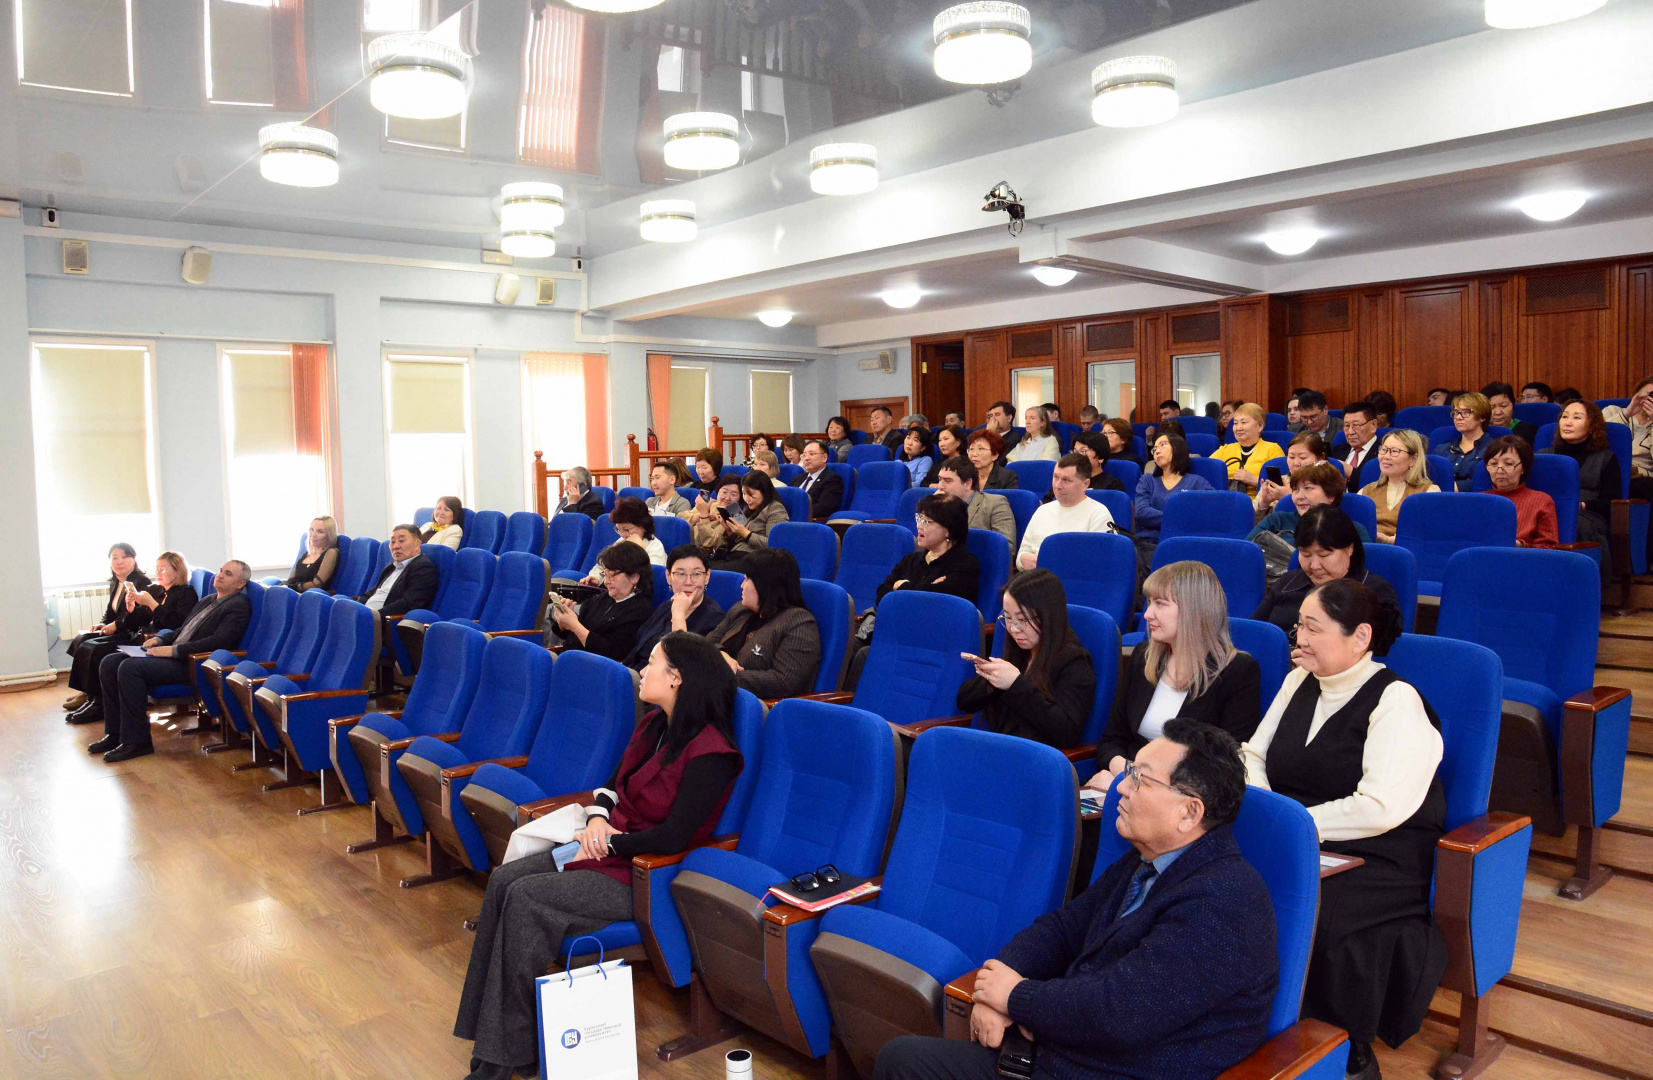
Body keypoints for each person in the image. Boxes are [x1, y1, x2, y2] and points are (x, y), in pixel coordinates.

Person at [877, 721, 1278, 1080]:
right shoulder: (1148, 860)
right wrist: (1001, 979)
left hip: (1111, 1066)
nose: (1122, 787)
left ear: (1189, 812)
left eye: (1140, 779)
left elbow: (1121, 1012)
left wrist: (1015, 999)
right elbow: (1062, 928)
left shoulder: (1225, 901)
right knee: (903, 1058)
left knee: (904, 1063)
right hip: (1067, 1050)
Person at [455, 631, 743, 1080]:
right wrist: (596, 819)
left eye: (652, 662)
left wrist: (609, 841)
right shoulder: (654, 725)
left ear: (677, 678)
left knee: (527, 900)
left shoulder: (713, 753)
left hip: (646, 875)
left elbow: (675, 837)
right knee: (503, 880)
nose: (642, 670)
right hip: (604, 849)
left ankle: (499, 1062)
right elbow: (611, 785)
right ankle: (497, 1042)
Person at [1241, 579, 1447, 1080]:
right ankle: (1244, 1020)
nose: (1299, 639)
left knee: (1326, 913)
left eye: (1313, 628)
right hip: (1299, 833)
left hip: (1380, 850)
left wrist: (1291, 825)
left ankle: (1343, 1048)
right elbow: (1252, 755)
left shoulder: (1396, 700)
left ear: (1360, 637)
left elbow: (1380, 806)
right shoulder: (1299, 680)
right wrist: (1272, 814)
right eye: (1299, 626)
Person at [1086, 561, 1261, 785]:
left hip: (1182, 795)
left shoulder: (1238, 671)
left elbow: (1222, 768)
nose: (1147, 614)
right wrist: (1124, 771)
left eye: (1160, 603)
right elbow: (1112, 739)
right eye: (1149, 602)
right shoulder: (1144, 658)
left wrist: (1132, 779)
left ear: (1194, 611)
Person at [90, 560, 254, 762]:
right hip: (176, 655)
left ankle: (137, 742)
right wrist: (160, 639)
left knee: (129, 668)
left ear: (240, 584)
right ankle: (115, 734)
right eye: (221, 571)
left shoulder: (238, 605)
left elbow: (219, 642)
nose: (220, 575)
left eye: (228, 574)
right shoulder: (208, 600)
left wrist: (174, 650)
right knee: (109, 662)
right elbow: (182, 629)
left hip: (192, 664)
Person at [956, 569, 1094, 747]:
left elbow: (1066, 732)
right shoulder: (1018, 652)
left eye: (1022, 620)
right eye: (1007, 618)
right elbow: (964, 702)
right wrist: (991, 680)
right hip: (999, 748)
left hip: (1033, 757)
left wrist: (1015, 684)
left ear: (1048, 617)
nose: (1014, 629)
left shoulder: (1074, 662)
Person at [67, 551, 195, 727]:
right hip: (140, 638)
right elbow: (136, 622)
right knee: (91, 647)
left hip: (157, 643)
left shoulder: (186, 593)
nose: (158, 573)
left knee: (99, 651)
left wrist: (151, 604)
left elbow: (176, 624)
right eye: (157, 569)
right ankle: (93, 699)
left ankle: (99, 704)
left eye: (163, 569)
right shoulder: (157, 590)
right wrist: (131, 608)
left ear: (177, 570)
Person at [1251, 506, 1403, 645]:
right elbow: (1254, 632)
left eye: (1323, 555)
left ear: (1349, 549)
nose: (1314, 565)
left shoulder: (1376, 593)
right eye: (1306, 554)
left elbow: (1381, 649)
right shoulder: (1287, 583)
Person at [706, 548, 821, 698]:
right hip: (717, 694)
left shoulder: (799, 624)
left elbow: (784, 682)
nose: (742, 585)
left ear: (764, 585)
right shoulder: (740, 609)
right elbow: (706, 643)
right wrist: (721, 655)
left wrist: (724, 674)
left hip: (754, 704)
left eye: (746, 579)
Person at [62, 543, 154, 714]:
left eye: (124, 557)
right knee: (82, 639)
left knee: (92, 647)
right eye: (115, 558)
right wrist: (104, 623)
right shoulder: (116, 582)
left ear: (134, 560)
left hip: (130, 632)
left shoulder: (141, 583)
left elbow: (140, 616)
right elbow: (110, 611)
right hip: (118, 628)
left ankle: (96, 698)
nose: (119, 562)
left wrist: (116, 625)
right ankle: (87, 691)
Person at [623, 546, 727, 670]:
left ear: (707, 577)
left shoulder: (714, 619)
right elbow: (637, 648)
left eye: (696, 574)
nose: (688, 582)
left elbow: (683, 664)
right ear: (668, 577)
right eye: (681, 574)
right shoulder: (666, 606)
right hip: (635, 672)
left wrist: (679, 615)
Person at [871, 494, 980, 609]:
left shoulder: (965, 564)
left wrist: (900, 586)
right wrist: (928, 588)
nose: (919, 526)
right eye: (920, 519)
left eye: (927, 522)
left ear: (949, 530)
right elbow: (881, 596)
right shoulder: (910, 560)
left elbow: (937, 604)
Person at [551, 541, 653, 661]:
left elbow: (612, 653)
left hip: (593, 667)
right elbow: (571, 636)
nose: (606, 581)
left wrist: (574, 625)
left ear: (634, 577)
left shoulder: (640, 611)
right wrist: (564, 622)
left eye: (612, 575)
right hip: (570, 659)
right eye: (605, 574)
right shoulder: (603, 598)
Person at [1543, 399, 1621, 553]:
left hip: (1588, 515)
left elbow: (1611, 500)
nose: (1568, 423)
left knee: (1571, 522)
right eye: (1565, 417)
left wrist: (1581, 505)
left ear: (1591, 426)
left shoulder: (1605, 458)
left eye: (1577, 417)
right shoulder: (1544, 456)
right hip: (1548, 511)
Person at [1017, 455, 1115, 571]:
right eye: (1055, 477)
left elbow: (1096, 562)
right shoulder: (1042, 510)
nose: (1057, 485)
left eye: (1066, 480)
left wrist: (1048, 563)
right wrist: (1023, 559)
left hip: (1072, 578)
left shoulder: (1098, 514)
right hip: (1033, 576)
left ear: (1085, 484)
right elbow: (1021, 555)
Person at [1248, 462, 1370, 546]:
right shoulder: (1277, 520)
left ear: (1331, 495)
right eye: (1296, 490)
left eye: (1308, 488)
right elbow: (1246, 551)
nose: (1299, 496)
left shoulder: (1353, 530)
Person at [1132, 434, 1214, 559]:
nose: (1157, 451)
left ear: (1177, 447)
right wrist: (1180, 518)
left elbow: (1211, 511)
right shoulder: (1147, 480)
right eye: (1154, 449)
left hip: (1184, 544)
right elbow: (1142, 512)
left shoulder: (1197, 482)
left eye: (1162, 445)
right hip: (1149, 544)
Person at [1360, 429, 1439, 544]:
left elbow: (1425, 534)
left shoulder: (1428, 492)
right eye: (1383, 450)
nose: (1385, 456)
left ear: (1413, 459)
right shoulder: (1366, 491)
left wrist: (1388, 540)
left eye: (1394, 451)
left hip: (1407, 550)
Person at [1603, 376, 1653, 553]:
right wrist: (1627, 414)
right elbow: (1597, 438)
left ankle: (1643, 557)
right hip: (1609, 472)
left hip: (1641, 479)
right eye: (1649, 395)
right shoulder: (1612, 411)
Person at [1484, 436, 1559, 549]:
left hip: (1522, 558)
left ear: (1523, 468)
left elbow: (1549, 548)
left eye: (1508, 464)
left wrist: (1521, 546)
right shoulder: (1479, 500)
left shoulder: (1542, 501)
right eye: (1494, 464)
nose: (1499, 470)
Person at [934, 457, 1017, 547]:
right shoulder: (939, 505)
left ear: (967, 483)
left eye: (948, 481)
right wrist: (932, 509)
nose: (940, 486)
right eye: (940, 479)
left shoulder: (995, 504)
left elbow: (1006, 548)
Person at [358, 525, 439, 616]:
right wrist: (357, 607)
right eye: (392, 542)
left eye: (401, 541)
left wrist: (374, 615)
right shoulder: (392, 565)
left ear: (417, 544)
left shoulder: (424, 568)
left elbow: (409, 603)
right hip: (367, 613)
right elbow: (374, 591)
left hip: (384, 618)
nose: (396, 546)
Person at [1213, 403, 1284, 495]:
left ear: (1259, 426)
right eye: (1235, 423)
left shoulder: (1272, 449)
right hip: (1226, 499)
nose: (1238, 428)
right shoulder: (1225, 449)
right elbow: (1207, 470)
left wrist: (1255, 480)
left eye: (1243, 422)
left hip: (1258, 501)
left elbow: (1280, 487)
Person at [1255, 432, 1329, 514]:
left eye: (1302, 458)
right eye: (1291, 457)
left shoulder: (1327, 485)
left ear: (1321, 458)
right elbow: (1251, 520)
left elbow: (1321, 518)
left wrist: (1289, 497)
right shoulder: (1275, 485)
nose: (1296, 463)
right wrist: (1263, 505)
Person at [1439, 391, 1492, 491]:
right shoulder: (1442, 449)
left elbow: (1487, 481)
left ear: (1482, 416)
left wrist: (1453, 487)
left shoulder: (1493, 449)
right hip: (1441, 497)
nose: (1458, 417)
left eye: (1466, 412)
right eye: (1456, 413)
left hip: (1476, 498)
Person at [684, 475, 747, 557]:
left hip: (704, 554)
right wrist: (700, 515)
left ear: (740, 498)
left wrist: (704, 515)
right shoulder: (711, 503)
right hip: (686, 544)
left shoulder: (736, 517)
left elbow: (709, 542)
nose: (727, 498)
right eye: (724, 492)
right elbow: (681, 517)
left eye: (733, 494)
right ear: (718, 492)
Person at [602, 497, 668, 568]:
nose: (622, 534)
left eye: (626, 530)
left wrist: (637, 551)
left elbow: (648, 572)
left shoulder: (655, 547)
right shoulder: (622, 541)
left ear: (642, 525)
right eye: (618, 529)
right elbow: (603, 564)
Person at [1057, 431, 1126, 496]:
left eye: (1082, 451)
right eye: (1075, 451)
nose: (1076, 456)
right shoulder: (1066, 478)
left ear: (1100, 458)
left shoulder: (1112, 485)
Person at [286, 515, 340, 592]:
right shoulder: (306, 554)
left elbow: (317, 584)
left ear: (329, 535)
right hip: (296, 593)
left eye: (320, 531)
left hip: (314, 595)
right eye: (311, 529)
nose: (313, 535)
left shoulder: (331, 552)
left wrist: (292, 588)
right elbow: (290, 580)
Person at [1330, 401, 1382, 479]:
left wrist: (1352, 473)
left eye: (1356, 425)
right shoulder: (1336, 451)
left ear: (1373, 425)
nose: (1350, 432)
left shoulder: (1384, 454)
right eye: (1347, 426)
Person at [797, 439, 843, 518]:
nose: (806, 458)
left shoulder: (832, 479)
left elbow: (824, 508)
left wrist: (796, 511)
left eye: (811, 454)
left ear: (824, 457)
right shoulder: (797, 479)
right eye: (804, 455)